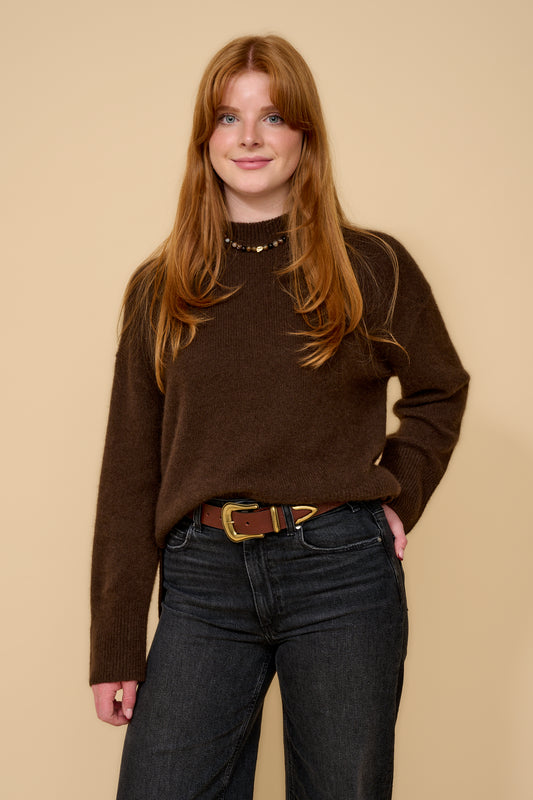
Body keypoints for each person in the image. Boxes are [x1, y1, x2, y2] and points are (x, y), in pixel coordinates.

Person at [90, 34, 469, 800]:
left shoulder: (372, 266)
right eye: (229, 118)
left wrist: (400, 488)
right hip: (203, 577)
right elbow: (130, 468)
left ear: (305, 134)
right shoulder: (160, 288)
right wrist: (115, 644)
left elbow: (439, 389)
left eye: (272, 118)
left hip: (341, 571)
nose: (250, 138)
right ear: (206, 138)